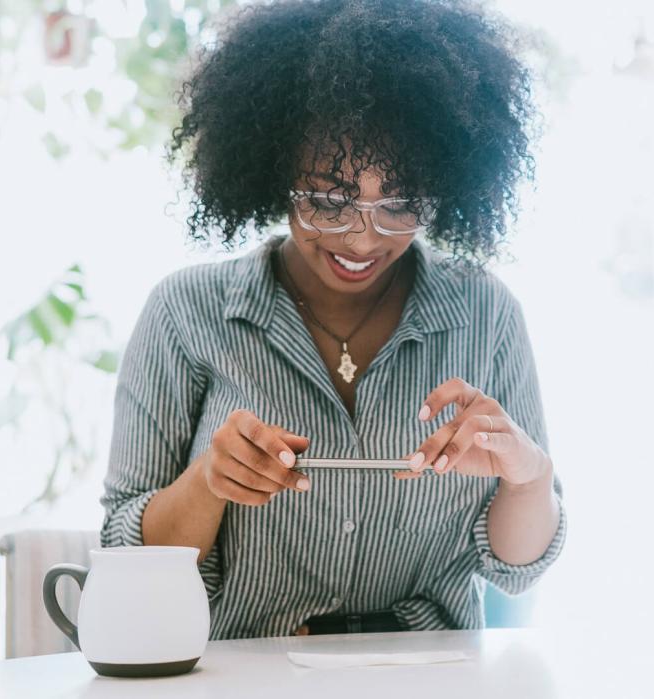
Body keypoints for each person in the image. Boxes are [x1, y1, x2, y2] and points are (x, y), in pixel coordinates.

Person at [101, 0, 565, 640]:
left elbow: (517, 566)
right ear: (272, 170)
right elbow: (129, 561)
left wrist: (528, 474)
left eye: (400, 204)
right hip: (242, 680)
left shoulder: (485, 313)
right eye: (327, 201)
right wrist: (210, 481)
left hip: (432, 679)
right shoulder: (188, 311)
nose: (362, 240)